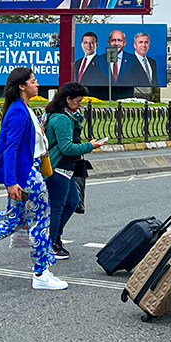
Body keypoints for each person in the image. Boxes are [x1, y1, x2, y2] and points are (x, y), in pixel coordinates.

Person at [0, 67, 67, 290]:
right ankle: (41, 273)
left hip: (24, 171)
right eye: (33, 81)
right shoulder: (18, 111)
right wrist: (11, 182)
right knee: (40, 221)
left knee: (14, 220)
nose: (37, 84)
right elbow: (10, 148)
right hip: (26, 173)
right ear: (21, 86)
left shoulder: (23, 108)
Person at [44, 81, 104, 259]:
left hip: (67, 168)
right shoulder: (62, 118)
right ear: (68, 99)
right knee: (58, 206)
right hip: (59, 167)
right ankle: (51, 242)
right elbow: (67, 148)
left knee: (72, 202)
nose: (80, 104)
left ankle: (55, 236)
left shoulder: (64, 115)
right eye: (78, 101)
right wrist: (90, 145)